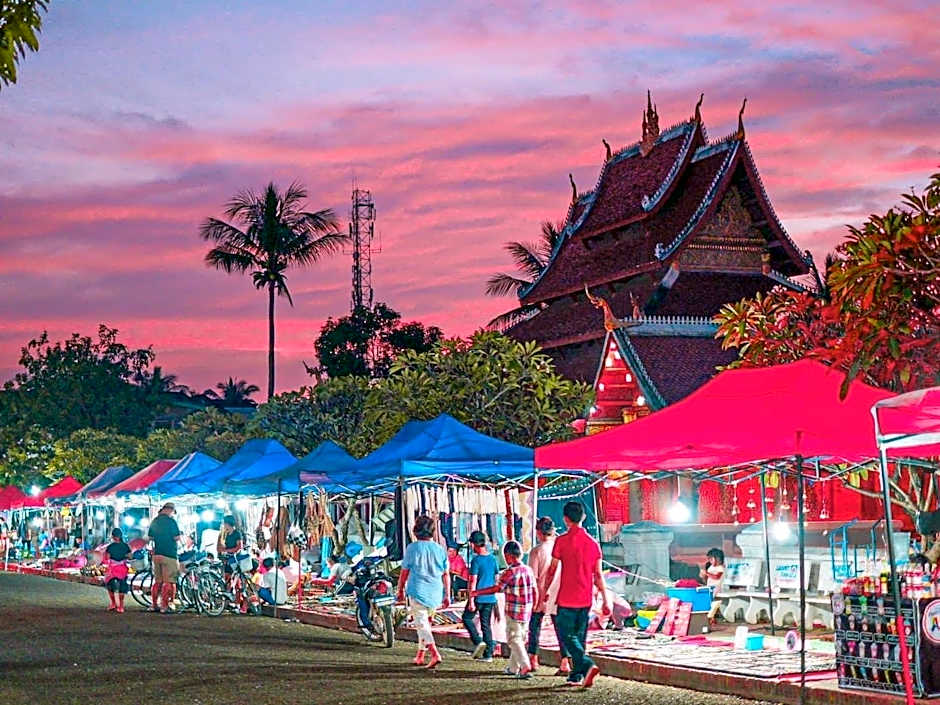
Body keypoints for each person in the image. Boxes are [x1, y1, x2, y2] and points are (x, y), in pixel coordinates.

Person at [541, 501, 609, 689]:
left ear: (565, 519)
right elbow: (598, 575)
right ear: (583, 517)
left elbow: (552, 570)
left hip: (567, 597)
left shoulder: (561, 541)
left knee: (566, 635)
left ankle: (586, 665)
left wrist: (544, 591)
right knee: (579, 637)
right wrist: (605, 599)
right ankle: (577, 675)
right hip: (586, 597)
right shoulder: (593, 544)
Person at [471, 540, 538, 679]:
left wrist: (477, 592)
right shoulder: (528, 570)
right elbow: (535, 590)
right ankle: (514, 668)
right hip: (526, 610)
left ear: (508, 556)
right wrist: (534, 606)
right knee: (519, 638)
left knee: (514, 639)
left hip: (514, 611)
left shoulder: (510, 572)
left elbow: (497, 588)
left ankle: (525, 666)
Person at [396, 515, 450, 669]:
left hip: (417, 590)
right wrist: (447, 595)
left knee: (422, 624)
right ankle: (420, 655)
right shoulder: (440, 549)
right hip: (435, 592)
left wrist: (400, 590)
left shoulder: (412, 548)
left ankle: (434, 653)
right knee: (425, 624)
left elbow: (404, 571)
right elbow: (446, 574)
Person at [527, 516, 571, 675]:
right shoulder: (560, 548)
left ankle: (533, 659)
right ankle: (565, 662)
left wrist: (536, 597)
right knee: (561, 628)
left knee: (535, 626)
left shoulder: (537, 551)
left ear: (538, 532)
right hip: (559, 592)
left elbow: (533, 578)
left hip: (541, 592)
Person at [462, 530, 498, 662]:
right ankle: (488, 653)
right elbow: (496, 578)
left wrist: (471, 599)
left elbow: (473, 581)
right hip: (490, 597)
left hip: (478, 596)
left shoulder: (476, 561)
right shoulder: (493, 559)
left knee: (466, 618)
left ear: (474, 544)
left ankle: (478, 641)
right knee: (486, 625)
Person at [147, 502, 182, 614]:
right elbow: (176, 537)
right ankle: (164, 606)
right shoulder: (171, 522)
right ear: (170, 510)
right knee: (168, 582)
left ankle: (153, 605)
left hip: (157, 554)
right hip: (169, 554)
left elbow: (150, 537)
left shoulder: (155, 521)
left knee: (157, 581)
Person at [103, 528, 131, 613]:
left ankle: (113, 603)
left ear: (113, 536)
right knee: (122, 586)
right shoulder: (125, 546)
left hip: (113, 569)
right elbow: (130, 556)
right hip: (123, 568)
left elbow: (107, 557)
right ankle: (121, 606)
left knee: (110, 585)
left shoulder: (110, 547)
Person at [700, 547, 726, 625]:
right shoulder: (711, 567)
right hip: (710, 586)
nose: (710, 561)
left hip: (717, 587)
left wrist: (707, 573)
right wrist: (704, 576)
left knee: (711, 601)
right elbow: (707, 578)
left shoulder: (720, 568)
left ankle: (711, 617)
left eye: (711, 559)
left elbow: (716, 577)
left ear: (717, 559)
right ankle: (711, 617)